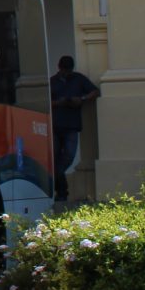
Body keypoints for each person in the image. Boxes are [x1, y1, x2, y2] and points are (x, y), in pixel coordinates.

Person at [49, 54, 100, 204]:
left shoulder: (78, 79)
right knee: (56, 157)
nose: (66, 72)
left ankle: (57, 180)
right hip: (55, 124)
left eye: (69, 70)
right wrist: (59, 103)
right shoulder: (52, 82)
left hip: (72, 124)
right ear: (59, 68)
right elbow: (45, 101)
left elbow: (95, 92)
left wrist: (82, 99)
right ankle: (62, 192)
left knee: (68, 156)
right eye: (65, 70)